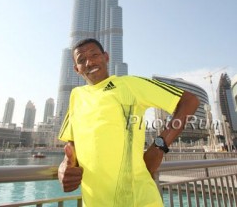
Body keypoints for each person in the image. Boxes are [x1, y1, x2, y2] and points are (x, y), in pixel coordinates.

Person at [58, 38, 200, 207]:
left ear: (106, 57)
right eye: (81, 60)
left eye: (94, 55)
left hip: (139, 201)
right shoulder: (76, 96)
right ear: (77, 69)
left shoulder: (130, 85)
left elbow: (189, 101)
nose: (89, 62)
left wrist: (159, 147)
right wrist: (64, 167)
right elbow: (71, 146)